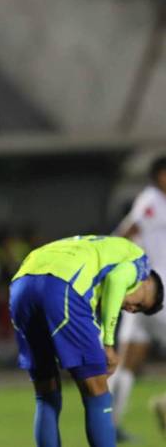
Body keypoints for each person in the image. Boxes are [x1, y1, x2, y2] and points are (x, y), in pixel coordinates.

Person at [9, 235, 164, 447]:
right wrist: (109, 346)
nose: (131, 309)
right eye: (140, 304)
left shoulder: (101, 249)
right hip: (62, 285)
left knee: (46, 394)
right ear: (146, 282)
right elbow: (117, 280)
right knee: (97, 392)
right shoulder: (140, 262)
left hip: (21, 285)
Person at [108, 156, 166, 441]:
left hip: (140, 292)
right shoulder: (151, 201)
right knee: (125, 362)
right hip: (158, 293)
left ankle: (109, 422)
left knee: (127, 362)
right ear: (159, 176)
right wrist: (110, 258)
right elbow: (126, 230)